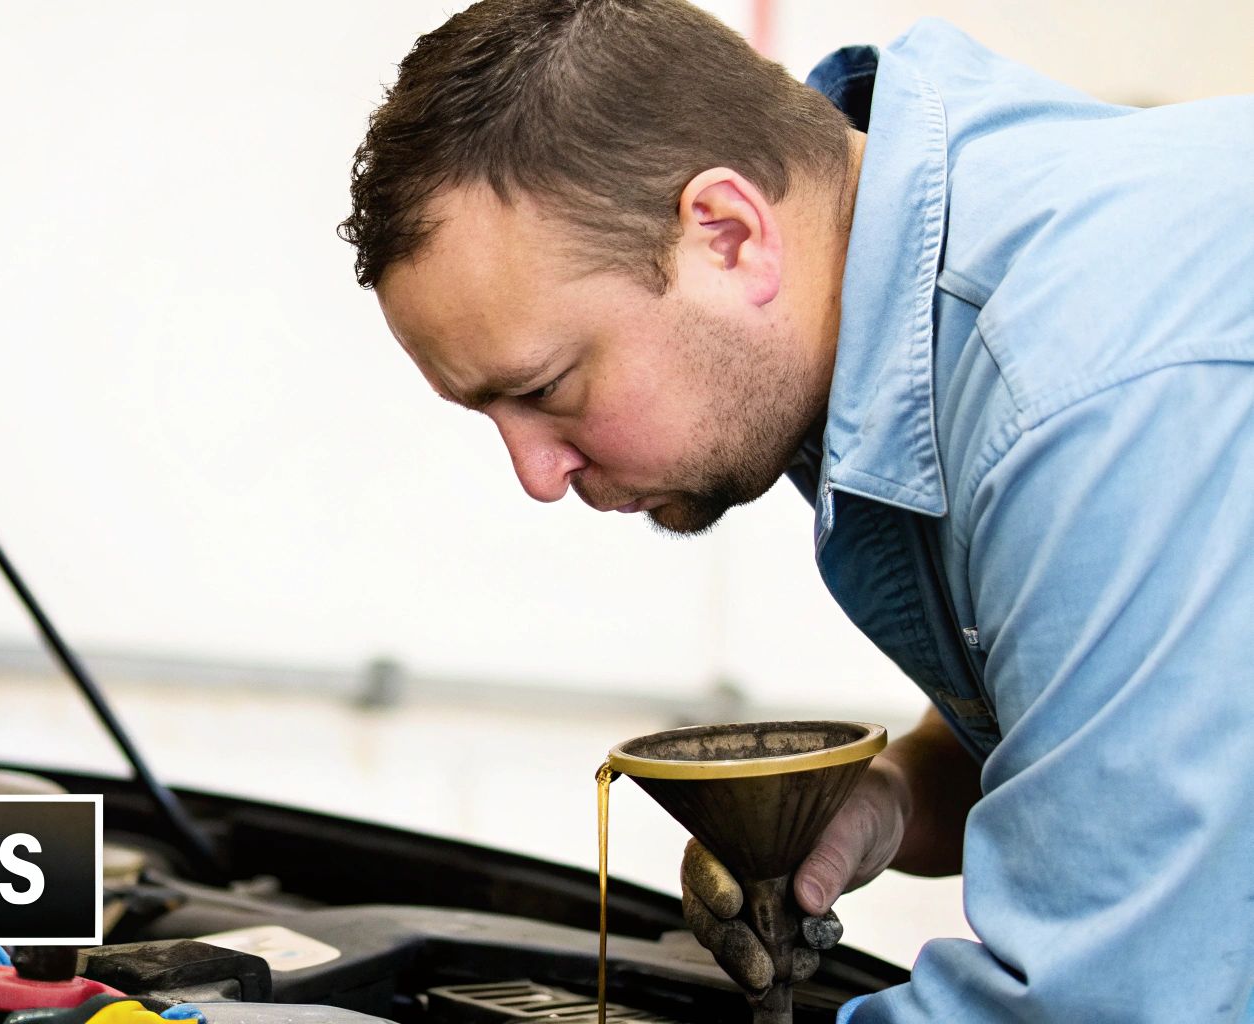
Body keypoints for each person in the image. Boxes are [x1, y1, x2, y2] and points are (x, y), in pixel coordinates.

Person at [339, 1, 1254, 1021]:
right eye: (485, 413)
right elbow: (1103, 713)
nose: (536, 474)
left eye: (546, 386)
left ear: (727, 235)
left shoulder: (1087, 392)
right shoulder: (922, 263)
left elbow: (1104, 1004)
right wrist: (892, 800)